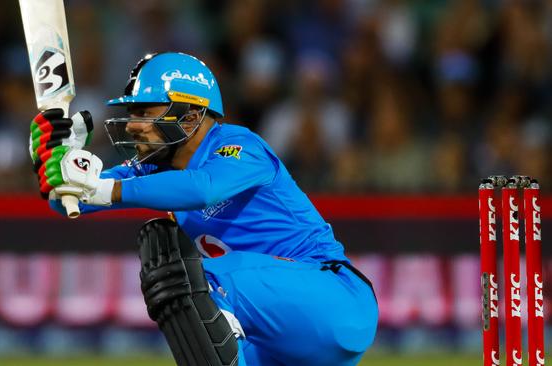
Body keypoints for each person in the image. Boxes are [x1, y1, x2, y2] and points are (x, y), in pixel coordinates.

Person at [29, 52, 378, 366]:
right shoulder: (152, 167)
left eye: (145, 112)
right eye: (131, 112)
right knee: (182, 294)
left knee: (189, 277)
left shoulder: (238, 144)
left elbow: (203, 187)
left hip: (335, 302)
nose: (132, 124)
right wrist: (53, 161)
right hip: (277, 340)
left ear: (190, 116)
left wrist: (104, 187)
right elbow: (69, 201)